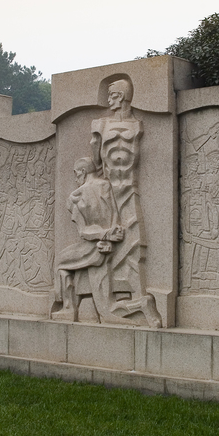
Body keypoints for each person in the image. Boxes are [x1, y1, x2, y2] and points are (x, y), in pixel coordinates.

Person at [88, 79, 161, 327]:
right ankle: (120, 302)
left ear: (121, 96)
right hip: (110, 195)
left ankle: (136, 298)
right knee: (110, 246)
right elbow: (96, 164)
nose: (109, 100)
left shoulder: (136, 125)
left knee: (134, 244)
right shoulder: (100, 125)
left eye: (112, 95)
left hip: (129, 190)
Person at [50, 157, 126, 323]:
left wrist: (103, 236)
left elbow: (83, 232)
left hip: (91, 248)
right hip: (105, 244)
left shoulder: (75, 197)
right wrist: (109, 237)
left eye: (76, 174)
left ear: (83, 172)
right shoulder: (105, 185)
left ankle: (68, 310)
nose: (75, 178)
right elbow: (115, 216)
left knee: (60, 262)